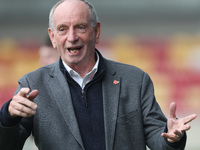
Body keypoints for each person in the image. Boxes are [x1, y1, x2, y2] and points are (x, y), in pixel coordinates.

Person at [0, 0, 197, 149]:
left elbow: (158, 138)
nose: (72, 37)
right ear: (53, 37)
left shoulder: (136, 80)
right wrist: (8, 117)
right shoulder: (33, 84)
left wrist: (171, 136)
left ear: (97, 31)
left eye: (80, 27)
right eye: (63, 29)